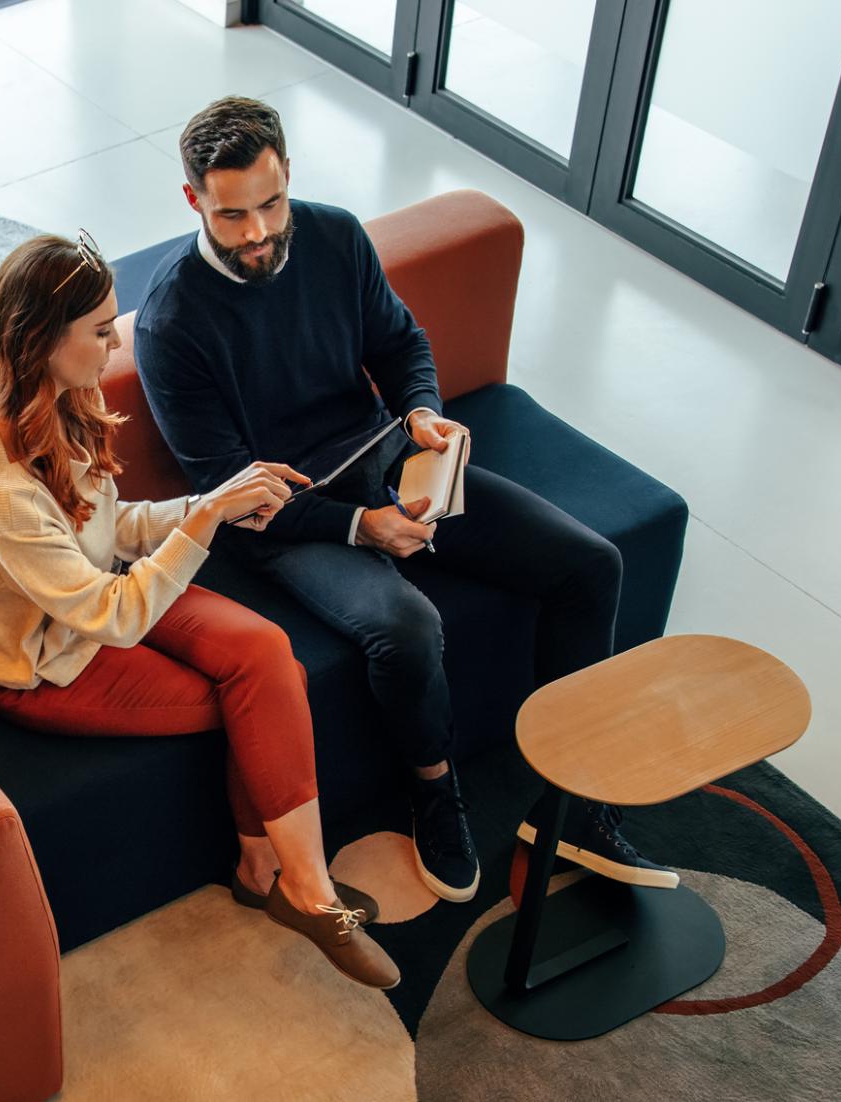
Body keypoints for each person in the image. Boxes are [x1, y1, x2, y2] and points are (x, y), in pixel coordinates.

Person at [133, 96, 672, 905]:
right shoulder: (172, 322)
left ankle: (577, 804)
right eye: (232, 214)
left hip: (383, 458)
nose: (257, 233)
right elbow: (231, 490)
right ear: (193, 203)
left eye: (271, 204)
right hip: (282, 519)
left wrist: (418, 408)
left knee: (590, 564)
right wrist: (361, 528)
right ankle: (433, 792)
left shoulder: (335, 236)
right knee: (406, 627)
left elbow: (399, 340)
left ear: (289, 179)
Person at [0, 230, 399, 989]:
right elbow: (114, 617)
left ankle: (267, 873)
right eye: (98, 331)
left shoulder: (61, 399)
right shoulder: (0, 492)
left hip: (103, 592)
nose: (114, 344)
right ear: (42, 340)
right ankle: (307, 893)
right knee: (252, 697)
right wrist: (202, 524)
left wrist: (211, 502)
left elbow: (111, 528)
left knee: (267, 654)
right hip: (44, 665)